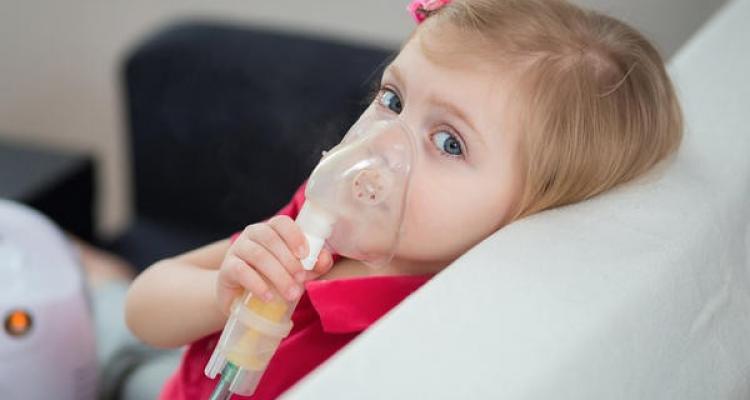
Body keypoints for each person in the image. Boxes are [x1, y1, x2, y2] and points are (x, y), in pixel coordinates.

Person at [125, 0, 683, 398]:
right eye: (393, 99)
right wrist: (220, 294)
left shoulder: (427, 337)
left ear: (528, 212)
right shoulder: (325, 219)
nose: (382, 143)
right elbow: (144, 310)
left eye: (449, 142)